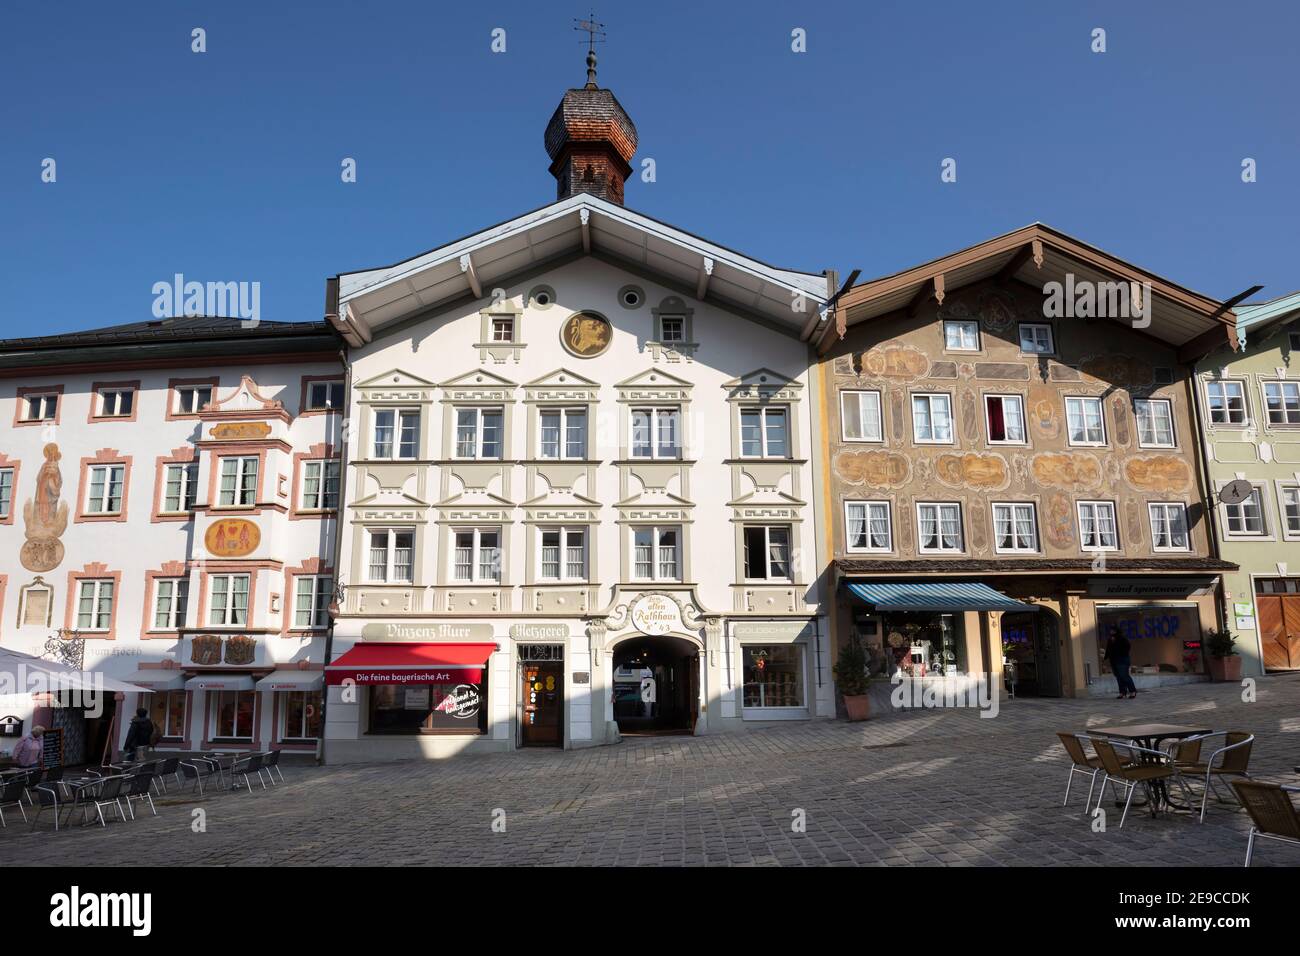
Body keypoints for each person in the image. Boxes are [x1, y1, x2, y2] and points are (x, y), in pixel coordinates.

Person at [1104, 626, 1138, 700]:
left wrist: (1121, 654)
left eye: (1112, 630)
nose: (1111, 632)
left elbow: (1127, 647)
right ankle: (1122, 692)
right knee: (1119, 677)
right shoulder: (1110, 639)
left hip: (1122, 660)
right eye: (1110, 630)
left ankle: (1132, 691)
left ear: (1116, 631)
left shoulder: (1122, 638)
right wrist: (1105, 657)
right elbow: (1108, 649)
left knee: (1124, 676)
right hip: (1114, 661)